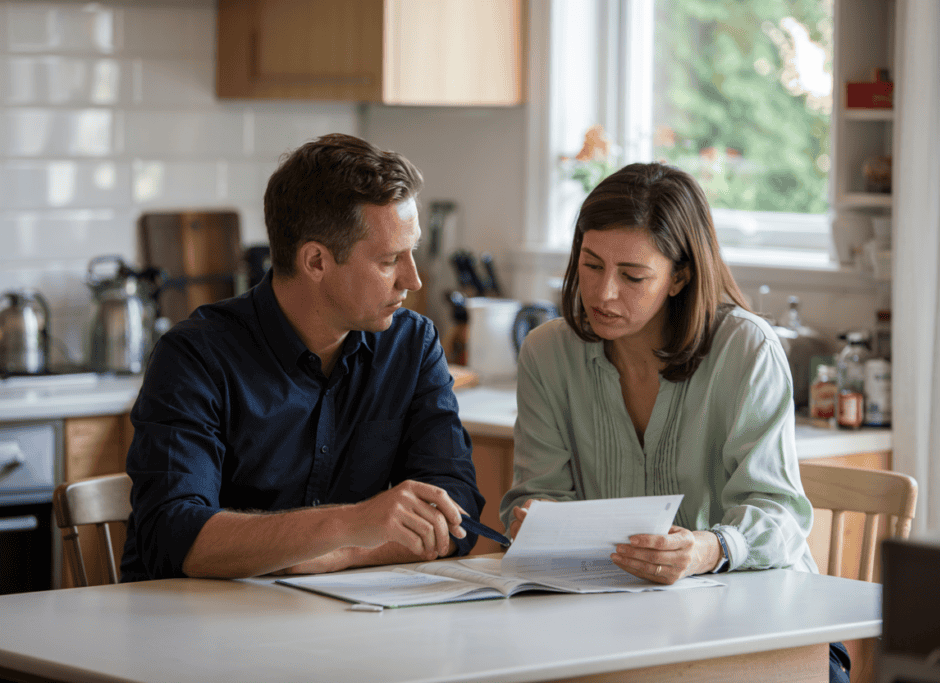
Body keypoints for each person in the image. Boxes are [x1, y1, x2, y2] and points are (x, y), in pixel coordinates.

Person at [499, 162, 850, 682]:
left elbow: (781, 516)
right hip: (616, 629)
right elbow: (532, 497)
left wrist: (706, 549)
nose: (603, 294)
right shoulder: (548, 352)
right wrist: (538, 519)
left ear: (680, 276)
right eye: (591, 265)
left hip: (766, 630)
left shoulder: (746, 349)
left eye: (633, 276)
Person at [120, 134, 484, 582]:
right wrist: (351, 524)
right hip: (188, 631)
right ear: (315, 261)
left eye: (411, 253)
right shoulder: (195, 356)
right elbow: (176, 539)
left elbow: (456, 515)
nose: (413, 279)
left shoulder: (411, 344)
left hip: (333, 625)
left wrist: (340, 555)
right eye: (390, 260)